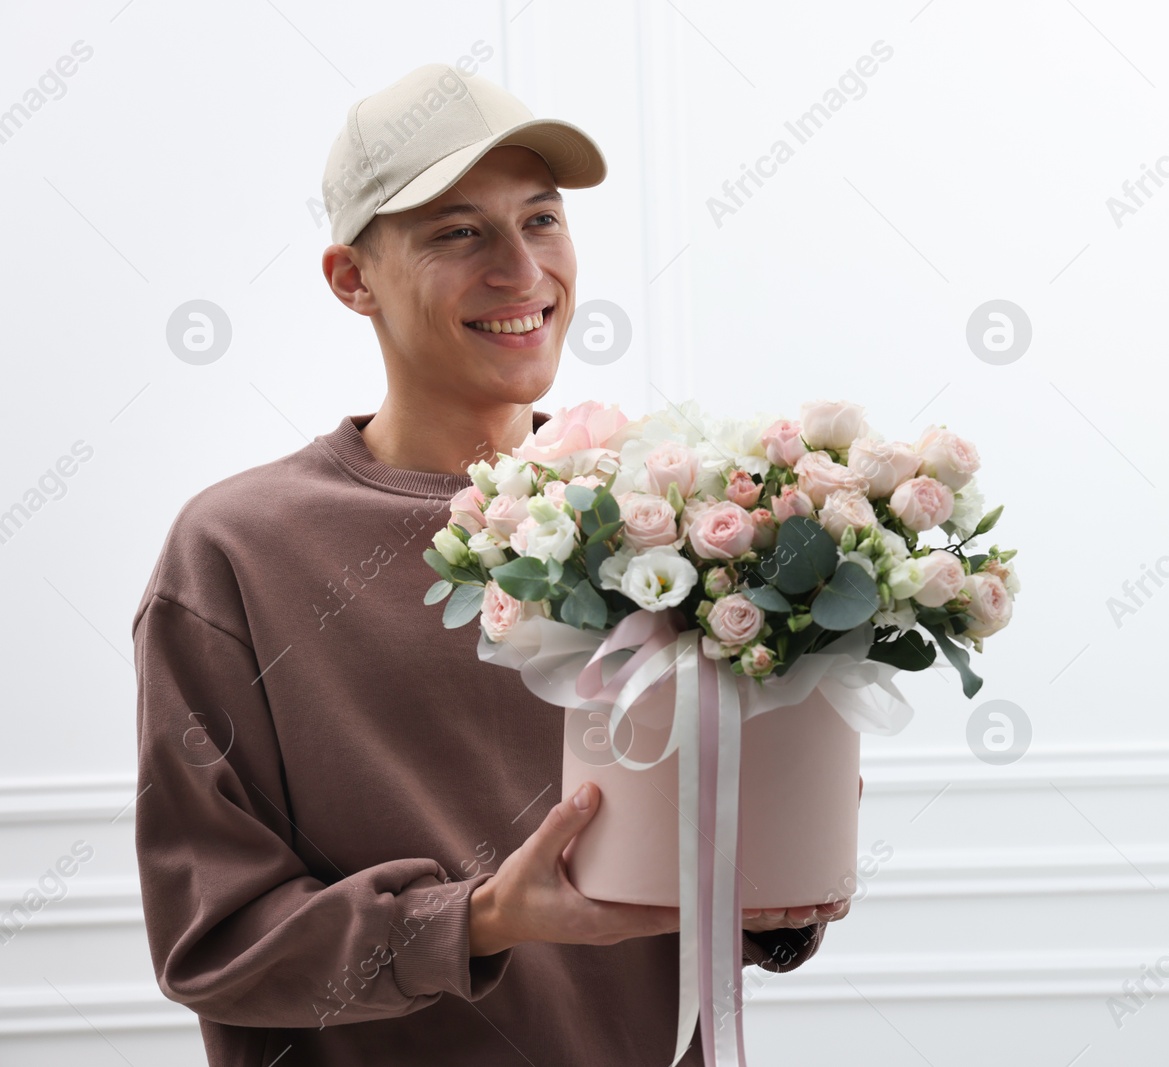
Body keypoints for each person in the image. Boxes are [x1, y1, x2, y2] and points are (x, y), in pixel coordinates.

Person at [131, 62, 850, 1067]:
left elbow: (696, 877)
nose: (521, 271)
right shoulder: (236, 552)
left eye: (542, 220)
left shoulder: (675, 518)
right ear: (352, 278)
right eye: (458, 231)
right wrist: (477, 919)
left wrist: (776, 867)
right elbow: (215, 940)